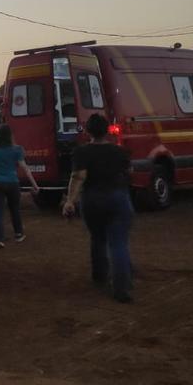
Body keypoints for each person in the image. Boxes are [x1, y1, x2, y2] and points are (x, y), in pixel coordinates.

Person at [63, 114, 135, 303]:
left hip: (92, 199)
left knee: (97, 237)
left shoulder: (82, 152)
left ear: (88, 131)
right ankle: (122, 288)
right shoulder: (119, 151)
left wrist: (70, 201)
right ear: (107, 131)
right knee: (118, 243)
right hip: (117, 197)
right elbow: (129, 172)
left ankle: (99, 275)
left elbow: (78, 176)